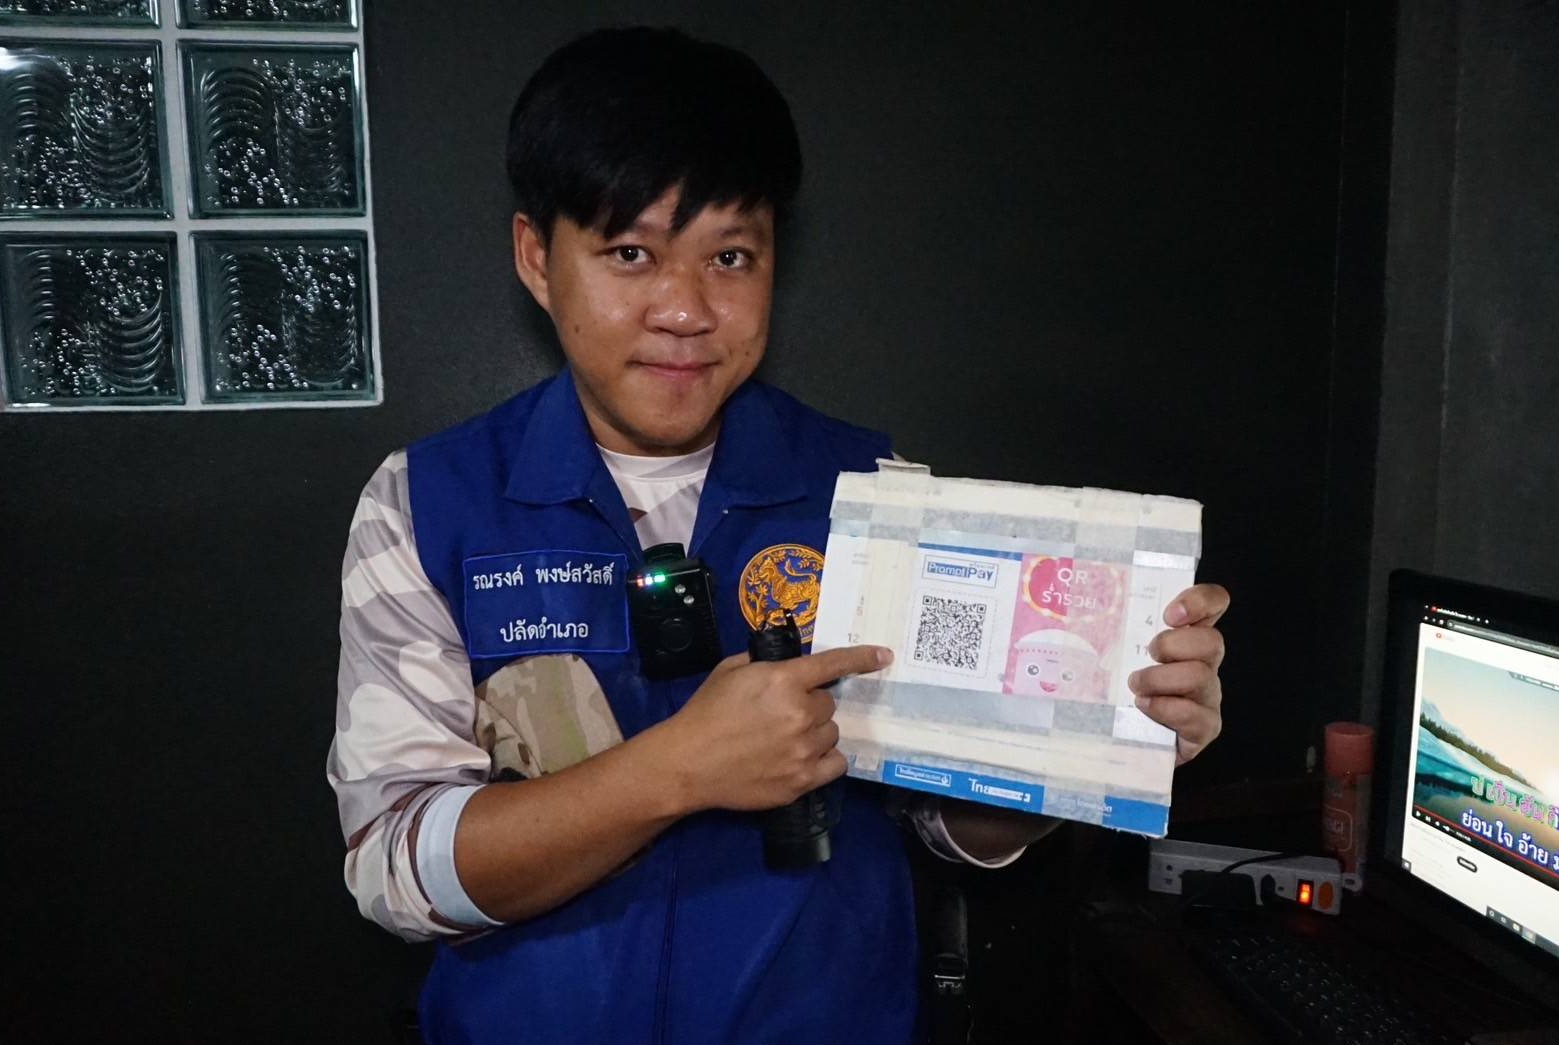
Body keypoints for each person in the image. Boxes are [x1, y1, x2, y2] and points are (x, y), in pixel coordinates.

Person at [328, 26, 1230, 1044]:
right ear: (538, 258)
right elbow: (397, 868)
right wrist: (677, 768)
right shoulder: (425, 501)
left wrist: (1093, 736)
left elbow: (952, 826)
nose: (684, 309)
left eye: (729, 257)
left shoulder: (877, 496)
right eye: (630, 253)